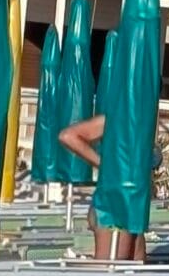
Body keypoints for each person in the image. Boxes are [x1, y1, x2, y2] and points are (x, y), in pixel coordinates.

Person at [57, 112, 144, 261]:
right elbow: (67, 136)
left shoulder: (142, 116)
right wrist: (105, 166)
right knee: (111, 268)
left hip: (131, 200)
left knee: (136, 266)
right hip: (114, 203)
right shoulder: (118, 116)